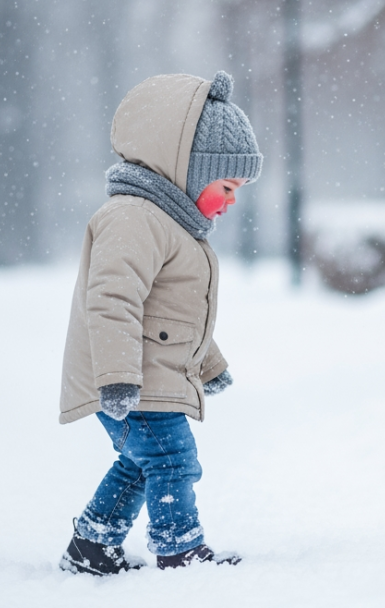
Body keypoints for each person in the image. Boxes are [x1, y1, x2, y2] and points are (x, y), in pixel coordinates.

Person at [58, 71, 262, 576]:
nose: (232, 200)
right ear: (189, 172)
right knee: (173, 460)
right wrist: (118, 377)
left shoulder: (174, 228)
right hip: (131, 382)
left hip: (147, 379)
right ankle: (180, 550)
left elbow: (180, 315)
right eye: (227, 185)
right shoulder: (134, 219)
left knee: (139, 464)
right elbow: (112, 299)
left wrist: (209, 366)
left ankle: (92, 547)